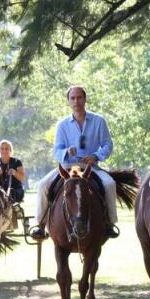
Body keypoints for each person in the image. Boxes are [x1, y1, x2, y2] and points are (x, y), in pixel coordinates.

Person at [31, 86, 119, 240]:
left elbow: (107, 144)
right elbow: (56, 150)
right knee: (43, 185)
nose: (76, 101)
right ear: (68, 101)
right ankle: (39, 225)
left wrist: (95, 156)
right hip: (67, 167)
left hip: (90, 168)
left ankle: (110, 223)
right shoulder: (62, 125)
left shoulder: (99, 121)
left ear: (85, 99)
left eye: (79, 97)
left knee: (110, 184)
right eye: (72, 98)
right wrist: (66, 152)